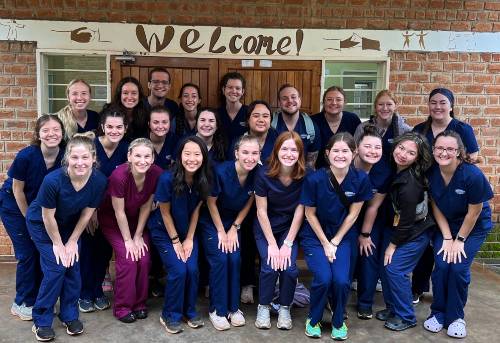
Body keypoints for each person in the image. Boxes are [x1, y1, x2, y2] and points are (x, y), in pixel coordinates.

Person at [26, 132, 107, 341]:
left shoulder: (99, 180)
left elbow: (88, 213)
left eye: (85, 157)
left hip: (70, 226)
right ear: (67, 159)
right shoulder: (53, 180)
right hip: (43, 225)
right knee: (56, 268)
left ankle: (69, 315)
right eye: (75, 157)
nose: (80, 163)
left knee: (73, 267)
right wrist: (58, 244)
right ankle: (41, 320)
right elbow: (47, 216)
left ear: (93, 159)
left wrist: (71, 242)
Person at [300, 133, 372, 340]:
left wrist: (335, 242)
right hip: (315, 236)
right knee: (323, 278)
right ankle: (313, 320)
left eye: (346, 151)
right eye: (336, 151)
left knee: (341, 281)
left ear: (354, 153)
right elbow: (309, 214)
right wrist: (325, 243)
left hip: (343, 236)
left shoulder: (361, 179)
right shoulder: (315, 179)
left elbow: (354, 214)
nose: (340, 155)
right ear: (327, 153)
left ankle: (338, 321)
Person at [411, 88, 480, 303]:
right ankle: (418, 287)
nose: (438, 107)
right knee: (425, 241)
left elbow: (475, 157)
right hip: (426, 190)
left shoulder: (462, 128)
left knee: (448, 253)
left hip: (452, 190)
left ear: (451, 105)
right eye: (433, 102)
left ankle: (448, 294)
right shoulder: (420, 129)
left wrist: (447, 164)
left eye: (443, 102)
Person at [423, 131, 493, 338]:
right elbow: (434, 204)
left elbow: (475, 212)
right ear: (433, 149)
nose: (444, 152)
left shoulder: (472, 175)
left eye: (450, 149)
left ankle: (455, 317)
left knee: (458, 268)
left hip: (472, 228)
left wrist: (459, 240)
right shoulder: (430, 172)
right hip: (445, 226)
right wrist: (446, 237)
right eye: (439, 148)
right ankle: (437, 313)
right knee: (442, 265)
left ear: (459, 152)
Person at [0, 115, 64, 321]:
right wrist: (29, 220)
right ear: (38, 134)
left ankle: (39, 299)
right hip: (15, 207)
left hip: (39, 211)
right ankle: (22, 302)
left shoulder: (64, 157)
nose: (51, 134)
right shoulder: (27, 155)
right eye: (46, 130)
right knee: (27, 253)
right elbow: (18, 191)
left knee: (40, 253)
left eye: (56, 129)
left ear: (62, 133)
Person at [148, 136, 212, 334]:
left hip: (186, 233)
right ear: (179, 156)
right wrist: (176, 241)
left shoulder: (204, 179)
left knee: (192, 270)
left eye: (197, 154)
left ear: (203, 157)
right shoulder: (167, 179)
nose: (191, 158)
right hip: (164, 232)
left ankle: (188, 311)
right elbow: (165, 213)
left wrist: (190, 239)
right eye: (187, 154)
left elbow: (196, 212)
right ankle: (170, 315)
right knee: (178, 270)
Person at [199, 135, 260, 330]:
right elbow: (211, 202)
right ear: (236, 153)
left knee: (234, 259)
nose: (250, 157)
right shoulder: (221, 171)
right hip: (212, 220)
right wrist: (221, 231)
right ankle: (217, 310)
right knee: (220, 259)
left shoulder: (257, 173)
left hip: (234, 223)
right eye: (245, 152)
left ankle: (234, 308)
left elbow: (250, 200)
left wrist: (234, 227)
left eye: (254, 153)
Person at [99, 138, 162, 323]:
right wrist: (128, 240)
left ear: (152, 159)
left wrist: (138, 235)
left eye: (147, 156)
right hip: (114, 221)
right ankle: (123, 307)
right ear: (129, 156)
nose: (142, 160)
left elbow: (146, 207)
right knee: (128, 258)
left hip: (137, 222)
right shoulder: (119, 176)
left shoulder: (156, 173)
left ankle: (139, 304)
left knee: (143, 257)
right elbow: (118, 212)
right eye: (138, 155)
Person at [376, 132, 434, 332]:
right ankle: (393, 309)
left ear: (417, 157)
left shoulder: (409, 184)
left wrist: (392, 246)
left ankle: (406, 316)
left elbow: (407, 221)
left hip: (415, 233)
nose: (403, 154)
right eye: (401, 148)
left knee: (395, 269)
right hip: (403, 229)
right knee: (386, 268)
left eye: (411, 153)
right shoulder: (396, 169)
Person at [78, 106, 129, 313]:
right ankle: (84, 293)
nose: (114, 130)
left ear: (125, 128)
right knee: (87, 251)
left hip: (112, 211)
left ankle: (98, 291)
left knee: (104, 252)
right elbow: (79, 179)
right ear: (102, 127)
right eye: (110, 126)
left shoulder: (127, 149)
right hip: (87, 210)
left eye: (119, 127)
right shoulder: (90, 146)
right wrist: (89, 211)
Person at [254, 131, 306, 331]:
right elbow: (261, 211)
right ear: (276, 150)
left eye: (294, 149)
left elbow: (300, 212)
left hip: (289, 228)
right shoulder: (263, 173)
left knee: (289, 267)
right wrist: (272, 245)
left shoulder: (304, 175)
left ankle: (285, 307)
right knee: (269, 265)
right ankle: (264, 306)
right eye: (285, 148)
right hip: (265, 226)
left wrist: (287, 243)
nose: (289, 153)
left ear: (300, 153)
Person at [353, 126, 392, 320]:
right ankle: (335, 300)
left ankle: (365, 303)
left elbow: (373, 207)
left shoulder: (384, 171)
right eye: (367, 146)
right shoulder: (347, 164)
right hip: (346, 217)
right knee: (348, 255)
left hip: (373, 218)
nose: (372, 151)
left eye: (377, 147)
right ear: (357, 147)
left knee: (368, 253)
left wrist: (365, 235)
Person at [354, 89, 412, 164]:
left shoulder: (404, 130)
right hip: (366, 173)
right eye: (380, 104)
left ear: (395, 106)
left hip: (393, 175)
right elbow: (355, 153)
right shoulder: (362, 128)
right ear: (375, 106)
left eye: (389, 104)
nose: (385, 108)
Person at [272, 84, 321, 169]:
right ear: (279, 103)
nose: (290, 101)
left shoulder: (311, 127)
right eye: (284, 98)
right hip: (274, 175)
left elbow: (310, 164)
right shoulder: (271, 124)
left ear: (299, 100)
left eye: (293, 97)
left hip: (301, 176)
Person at [313, 86, 361, 169]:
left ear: (344, 102)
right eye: (329, 99)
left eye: (338, 99)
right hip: (320, 173)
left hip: (347, 172)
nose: (334, 103)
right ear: (323, 102)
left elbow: (359, 148)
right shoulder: (313, 121)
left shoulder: (353, 120)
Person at [218, 72, 248, 143]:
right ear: (223, 90)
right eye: (230, 87)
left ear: (242, 91)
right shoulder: (216, 114)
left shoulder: (250, 112)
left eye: (238, 88)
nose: (234, 91)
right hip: (220, 154)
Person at [149, 105, 177, 170]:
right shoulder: (141, 142)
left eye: (164, 122)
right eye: (156, 122)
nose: (160, 126)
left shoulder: (176, 141)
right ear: (149, 124)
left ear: (170, 123)